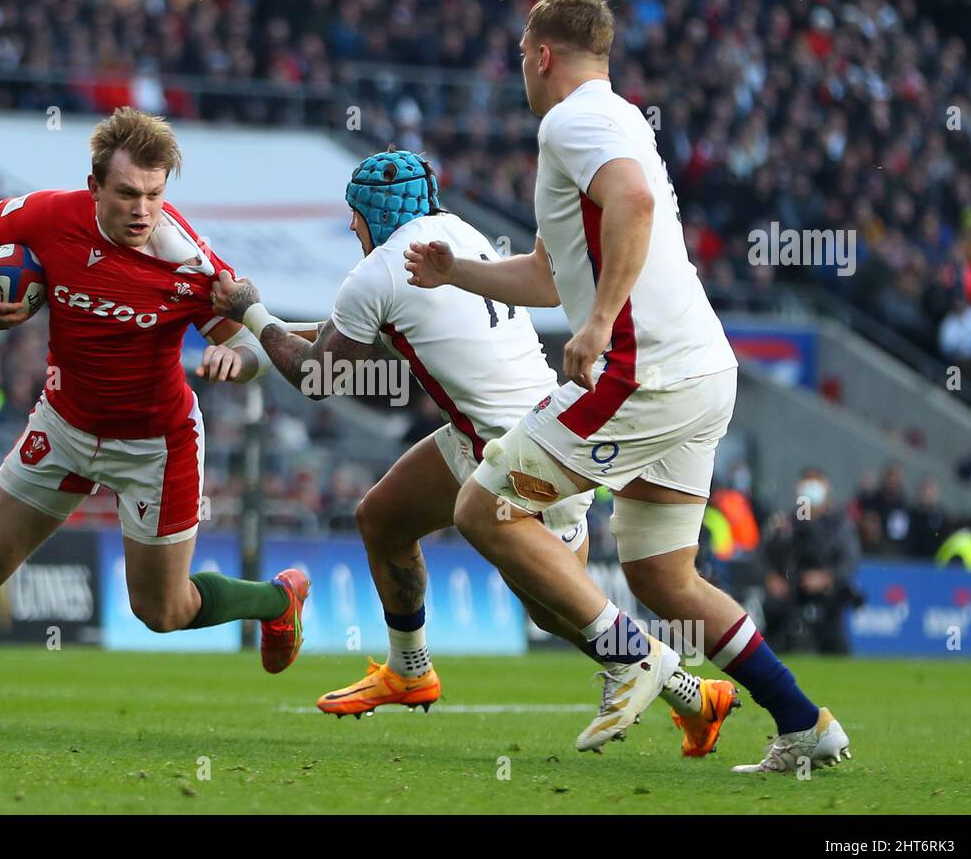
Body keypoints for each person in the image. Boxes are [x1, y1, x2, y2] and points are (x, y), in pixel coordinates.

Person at [403, 0, 850, 773]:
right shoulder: (618, 120)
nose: (522, 70)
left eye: (521, 57)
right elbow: (550, 275)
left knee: (481, 508)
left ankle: (631, 658)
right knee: (663, 574)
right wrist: (457, 273)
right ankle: (803, 723)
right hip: (702, 371)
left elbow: (635, 204)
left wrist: (601, 323)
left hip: (640, 373)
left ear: (542, 54)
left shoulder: (572, 122)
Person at [212, 148, 738, 757]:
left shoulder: (377, 271)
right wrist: (260, 345)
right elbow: (355, 328)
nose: (351, 227)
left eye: (353, 215)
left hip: (527, 456)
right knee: (381, 517)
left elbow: (319, 377)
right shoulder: (457, 235)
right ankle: (410, 670)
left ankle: (688, 691)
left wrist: (250, 312)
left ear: (369, 213)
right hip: (493, 434)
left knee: (553, 613)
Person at [0, 108, 309, 726]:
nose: (142, 210)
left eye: (155, 195)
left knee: (162, 612)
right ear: (94, 185)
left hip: (155, 443)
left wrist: (237, 361)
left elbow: (256, 345)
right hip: (64, 425)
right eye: (127, 193)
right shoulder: (51, 215)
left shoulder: (191, 266)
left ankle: (276, 599)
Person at [760, 470, 863, 655]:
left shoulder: (839, 524)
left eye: (815, 484)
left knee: (837, 652)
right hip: (789, 597)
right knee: (773, 647)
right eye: (806, 484)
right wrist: (771, 577)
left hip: (827, 601)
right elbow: (763, 554)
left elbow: (850, 560)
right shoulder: (786, 522)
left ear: (826, 489)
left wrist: (826, 578)